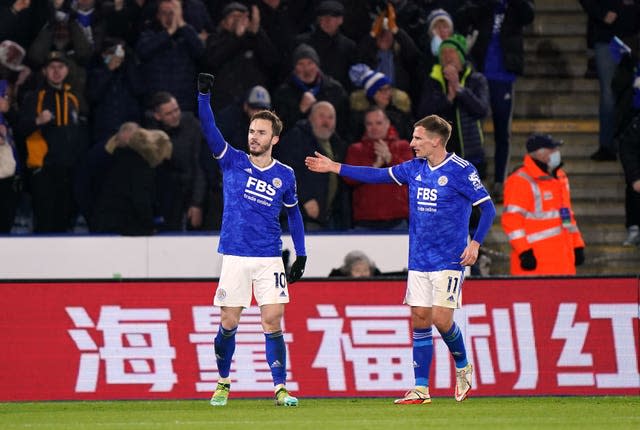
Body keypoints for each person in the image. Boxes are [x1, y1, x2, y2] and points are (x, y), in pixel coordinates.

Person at [305, 114, 496, 404]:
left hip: (449, 258)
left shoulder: (460, 170)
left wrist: (476, 244)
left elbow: (488, 209)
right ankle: (421, 388)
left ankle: (463, 365)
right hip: (419, 258)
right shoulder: (414, 168)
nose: (412, 142)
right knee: (420, 318)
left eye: (418, 138)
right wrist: (334, 166)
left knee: (442, 320)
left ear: (435, 141)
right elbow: (377, 176)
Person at [197, 73, 307, 407]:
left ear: (275, 137)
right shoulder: (232, 160)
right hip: (235, 255)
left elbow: (295, 216)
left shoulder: (285, 175)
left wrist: (301, 255)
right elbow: (209, 129)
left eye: (261, 132)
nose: (254, 137)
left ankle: (280, 388)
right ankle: (223, 381)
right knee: (229, 322)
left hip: (270, 258)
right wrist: (203, 96)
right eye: (251, 131)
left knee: (272, 319)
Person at [456, 0, 535, 201]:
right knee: (474, 129)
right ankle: (474, 180)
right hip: (479, 73)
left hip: (504, 76)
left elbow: (528, 15)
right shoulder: (485, 6)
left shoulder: (516, 7)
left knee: (502, 132)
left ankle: (500, 180)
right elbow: (465, 15)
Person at [502, 133, 586, 275]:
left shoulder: (560, 177)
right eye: (552, 150)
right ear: (540, 154)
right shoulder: (520, 180)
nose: (556, 153)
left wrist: (577, 244)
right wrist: (524, 252)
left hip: (563, 262)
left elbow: (566, 215)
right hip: (536, 264)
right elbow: (512, 221)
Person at [416, 33, 490, 179]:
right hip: (439, 155)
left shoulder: (476, 80)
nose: (447, 56)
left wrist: (459, 89)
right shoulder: (433, 81)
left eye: (451, 52)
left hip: (470, 153)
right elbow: (423, 113)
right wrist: (448, 98)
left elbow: (482, 110)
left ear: (461, 56)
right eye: (443, 53)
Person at [579, 0, 640, 162]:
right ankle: (607, 145)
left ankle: (628, 144)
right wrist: (601, 13)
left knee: (632, 92)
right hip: (607, 37)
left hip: (633, 36)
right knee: (608, 94)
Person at [277, 101, 350, 231]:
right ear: (310, 118)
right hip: (300, 215)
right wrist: (305, 198)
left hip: (329, 218)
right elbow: (284, 171)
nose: (326, 121)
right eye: (321, 116)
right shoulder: (296, 138)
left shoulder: (337, 144)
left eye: (330, 117)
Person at [345, 107, 413, 230]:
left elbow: (411, 174)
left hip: (398, 221)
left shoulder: (403, 146)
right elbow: (349, 179)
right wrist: (374, 166)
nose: (374, 127)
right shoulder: (355, 149)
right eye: (369, 124)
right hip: (365, 222)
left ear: (388, 124)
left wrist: (390, 158)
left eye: (379, 123)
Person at [146, 91, 206, 231]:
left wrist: (197, 203)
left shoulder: (192, 125)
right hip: (164, 198)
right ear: (157, 116)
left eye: (176, 110)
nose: (175, 115)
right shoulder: (151, 133)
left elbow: (199, 167)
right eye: (169, 113)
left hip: (189, 193)